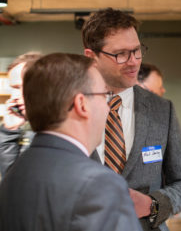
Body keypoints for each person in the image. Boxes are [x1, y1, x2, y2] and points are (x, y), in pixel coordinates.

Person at [82, 8, 181, 231]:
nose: (133, 61)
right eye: (121, 54)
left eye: (137, 50)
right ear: (91, 56)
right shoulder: (71, 107)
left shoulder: (161, 109)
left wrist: (153, 205)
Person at [0, 53, 142, 231]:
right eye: (105, 95)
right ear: (82, 104)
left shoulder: (15, 173)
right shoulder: (99, 183)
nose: (108, 106)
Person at [0, 52, 41, 177]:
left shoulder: (67, 131)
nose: (14, 96)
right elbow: (14, 181)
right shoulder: (26, 129)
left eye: (19, 87)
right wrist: (9, 131)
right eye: (13, 89)